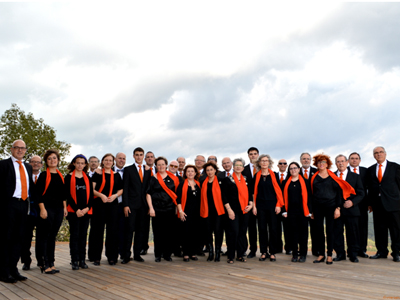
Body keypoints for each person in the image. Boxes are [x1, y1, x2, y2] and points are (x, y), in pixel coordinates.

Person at [310, 154, 355, 265]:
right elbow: (310, 194)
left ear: (327, 164)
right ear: (316, 164)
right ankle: (321, 254)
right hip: (317, 208)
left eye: (324, 162)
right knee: (319, 231)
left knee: (330, 231)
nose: (321, 164)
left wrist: (338, 208)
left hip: (331, 207)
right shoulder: (314, 177)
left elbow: (338, 194)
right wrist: (311, 210)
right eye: (319, 162)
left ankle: (329, 255)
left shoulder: (334, 177)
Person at [0, 140, 33, 283]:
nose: (20, 150)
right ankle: (3, 272)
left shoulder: (28, 167)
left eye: (22, 148)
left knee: (19, 238)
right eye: (17, 148)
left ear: (25, 150)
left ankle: (14, 270)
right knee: (6, 238)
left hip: (23, 205)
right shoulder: (3, 165)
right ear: (11, 149)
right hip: (8, 205)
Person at [35, 149, 68, 274]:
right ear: (46, 162)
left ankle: (52, 263)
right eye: (49, 158)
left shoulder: (60, 176)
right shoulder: (43, 175)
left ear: (58, 160)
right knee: (44, 236)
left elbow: (63, 194)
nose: (52, 160)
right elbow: (38, 194)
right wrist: (42, 209)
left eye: (54, 158)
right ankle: (44, 264)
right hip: (47, 209)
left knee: (52, 236)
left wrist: (64, 208)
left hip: (59, 209)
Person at [88, 153, 123, 266]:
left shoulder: (117, 175)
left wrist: (115, 196)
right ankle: (96, 257)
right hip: (99, 204)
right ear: (102, 162)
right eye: (106, 160)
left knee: (112, 231)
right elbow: (91, 190)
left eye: (110, 160)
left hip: (112, 205)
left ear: (113, 162)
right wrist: (101, 195)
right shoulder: (97, 174)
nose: (108, 162)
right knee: (97, 231)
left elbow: (121, 189)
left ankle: (112, 257)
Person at [366, 146, 400, 262]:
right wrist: (370, 203)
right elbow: (370, 188)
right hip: (377, 204)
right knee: (380, 229)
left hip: (394, 204)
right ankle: (381, 251)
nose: (378, 154)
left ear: (385, 154)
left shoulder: (395, 167)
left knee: (396, 229)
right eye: (376, 153)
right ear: (373, 155)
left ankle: (397, 253)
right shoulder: (370, 170)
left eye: (381, 152)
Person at [146, 156, 180, 262]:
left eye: (163, 164)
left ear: (166, 165)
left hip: (170, 208)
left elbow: (177, 195)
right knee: (158, 232)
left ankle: (167, 254)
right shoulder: (152, 178)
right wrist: (151, 208)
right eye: (159, 164)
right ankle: (158, 254)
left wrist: (176, 208)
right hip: (157, 209)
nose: (161, 166)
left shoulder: (173, 178)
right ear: (156, 166)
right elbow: (148, 194)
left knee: (169, 232)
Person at [333, 154, 364, 263]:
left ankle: (353, 254)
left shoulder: (355, 176)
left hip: (351, 209)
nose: (340, 163)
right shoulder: (332, 176)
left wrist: (352, 202)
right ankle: (340, 254)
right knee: (337, 233)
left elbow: (361, 193)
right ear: (335, 164)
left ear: (347, 162)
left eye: (342, 161)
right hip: (337, 210)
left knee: (353, 233)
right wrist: (336, 207)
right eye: (338, 161)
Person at [121, 147, 151, 264]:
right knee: (129, 230)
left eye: (141, 155)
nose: (139, 157)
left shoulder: (147, 170)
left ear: (143, 156)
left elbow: (149, 189)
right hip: (131, 206)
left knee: (141, 231)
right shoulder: (128, 170)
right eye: (137, 155)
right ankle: (126, 255)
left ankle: (137, 254)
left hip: (144, 206)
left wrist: (149, 206)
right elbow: (126, 188)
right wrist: (126, 205)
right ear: (133, 156)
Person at [252, 154, 284, 262]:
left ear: (269, 162)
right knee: (261, 229)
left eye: (266, 161)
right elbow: (253, 193)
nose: (264, 162)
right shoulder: (256, 176)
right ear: (259, 163)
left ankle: (273, 252)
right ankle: (263, 252)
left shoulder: (274, 175)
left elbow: (279, 191)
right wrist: (254, 207)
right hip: (260, 206)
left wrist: (279, 205)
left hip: (273, 205)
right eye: (262, 161)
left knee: (273, 229)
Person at [65, 154, 94, 270]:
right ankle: (74, 260)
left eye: (82, 163)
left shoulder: (88, 178)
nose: (80, 165)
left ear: (85, 165)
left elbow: (91, 195)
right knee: (75, 236)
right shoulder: (68, 177)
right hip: (74, 211)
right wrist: (77, 209)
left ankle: (82, 259)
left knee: (83, 236)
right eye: (78, 163)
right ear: (73, 163)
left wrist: (87, 208)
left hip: (86, 211)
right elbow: (68, 195)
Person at [222, 158, 253, 264]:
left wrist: (251, 204)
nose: (238, 167)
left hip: (244, 210)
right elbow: (224, 197)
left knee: (242, 233)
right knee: (233, 232)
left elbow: (251, 194)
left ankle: (240, 254)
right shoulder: (227, 180)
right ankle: (230, 256)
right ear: (233, 167)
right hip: (232, 210)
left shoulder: (247, 179)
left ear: (243, 168)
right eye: (236, 165)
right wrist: (229, 210)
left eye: (240, 165)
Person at [282, 162, 312, 262]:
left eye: (295, 168)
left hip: (303, 212)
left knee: (303, 234)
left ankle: (303, 254)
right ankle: (294, 254)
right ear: (289, 171)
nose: (293, 170)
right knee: (293, 234)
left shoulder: (306, 182)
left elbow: (311, 198)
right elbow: (282, 198)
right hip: (290, 212)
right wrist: (284, 211)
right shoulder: (285, 182)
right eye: (291, 169)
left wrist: (310, 211)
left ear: (299, 169)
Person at [21, 155, 42, 271]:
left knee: (41, 238)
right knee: (25, 238)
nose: (35, 164)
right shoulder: (24, 176)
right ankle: (26, 261)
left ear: (41, 165)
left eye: (38, 162)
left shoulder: (44, 177)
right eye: (33, 162)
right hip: (27, 212)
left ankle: (41, 261)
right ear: (29, 163)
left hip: (41, 212)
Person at [201, 162, 225, 262]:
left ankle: (218, 252)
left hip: (218, 211)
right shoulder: (203, 182)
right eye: (207, 170)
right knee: (208, 232)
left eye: (211, 169)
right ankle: (210, 252)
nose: (210, 172)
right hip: (207, 211)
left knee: (218, 232)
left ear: (215, 170)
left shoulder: (221, 181)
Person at [177, 165, 201, 262]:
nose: (190, 173)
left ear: (195, 173)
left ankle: (193, 253)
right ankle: (186, 253)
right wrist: (181, 211)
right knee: (186, 232)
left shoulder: (198, 184)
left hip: (197, 212)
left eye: (192, 171)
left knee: (195, 232)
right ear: (185, 173)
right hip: (185, 212)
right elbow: (178, 199)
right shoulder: (182, 185)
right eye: (188, 171)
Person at [348, 152, 369, 258]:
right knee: (352, 228)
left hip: (362, 204)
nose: (354, 160)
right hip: (348, 205)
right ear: (348, 160)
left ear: (360, 160)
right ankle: (351, 251)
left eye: (356, 158)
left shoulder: (366, 171)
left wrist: (370, 203)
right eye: (352, 158)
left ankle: (362, 249)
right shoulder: (344, 172)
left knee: (362, 227)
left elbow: (370, 188)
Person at [300, 152, 319, 257]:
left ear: (310, 160)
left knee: (315, 229)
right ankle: (302, 251)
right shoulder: (296, 172)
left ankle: (316, 251)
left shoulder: (316, 172)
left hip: (315, 205)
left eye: (308, 159)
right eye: (304, 159)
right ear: (301, 160)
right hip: (301, 206)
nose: (306, 160)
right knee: (302, 230)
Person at [243, 147, 259, 258]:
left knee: (263, 228)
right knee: (250, 228)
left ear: (258, 154)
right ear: (248, 155)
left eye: (255, 154)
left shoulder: (264, 168)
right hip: (248, 202)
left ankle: (265, 250)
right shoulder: (243, 170)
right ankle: (251, 250)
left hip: (262, 202)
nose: (253, 156)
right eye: (251, 154)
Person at [276, 158, 292, 255]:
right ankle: (278, 247)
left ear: (287, 166)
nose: (282, 165)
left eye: (284, 163)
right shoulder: (274, 176)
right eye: (280, 163)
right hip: (277, 206)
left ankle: (288, 248)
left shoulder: (291, 177)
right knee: (276, 228)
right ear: (278, 165)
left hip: (287, 206)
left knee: (288, 228)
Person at [142, 151, 156, 255]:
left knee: (159, 227)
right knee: (144, 226)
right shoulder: (142, 170)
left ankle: (160, 248)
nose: (150, 159)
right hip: (145, 201)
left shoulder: (160, 169)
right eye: (148, 157)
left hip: (158, 202)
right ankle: (144, 247)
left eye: (151, 157)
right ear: (145, 159)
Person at [114, 152, 126, 260]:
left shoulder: (128, 171)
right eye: (119, 158)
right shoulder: (106, 170)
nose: (121, 160)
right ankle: (112, 254)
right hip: (110, 204)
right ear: (115, 159)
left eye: (123, 158)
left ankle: (123, 254)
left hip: (123, 205)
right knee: (112, 230)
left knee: (123, 230)